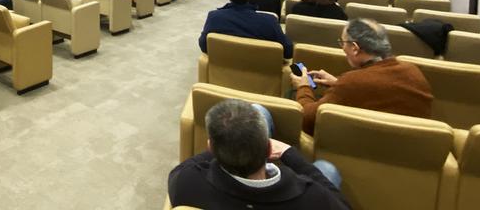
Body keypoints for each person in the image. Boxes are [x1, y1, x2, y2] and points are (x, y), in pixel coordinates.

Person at [168, 99, 350, 209]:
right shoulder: (313, 197)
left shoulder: (186, 182)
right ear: (270, 150)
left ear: (211, 148)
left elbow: (185, 167)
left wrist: (227, 143)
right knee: (326, 169)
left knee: (258, 111)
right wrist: (290, 154)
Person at [291, 18, 433, 134]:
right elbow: (380, 93)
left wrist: (303, 87)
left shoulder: (352, 83)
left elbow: (306, 120)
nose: (342, 48)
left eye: (342, 43)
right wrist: (337, 83)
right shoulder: (414, 72)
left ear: (354, 48)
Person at [199, 0, 293, 58]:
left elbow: (204, 45)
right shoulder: (270, 21)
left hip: (224, 75)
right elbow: (288, 51)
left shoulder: (214, 17)